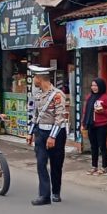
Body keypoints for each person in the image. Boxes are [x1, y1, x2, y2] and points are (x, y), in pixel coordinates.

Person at [27, 66, 69, 205]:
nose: (33, 80)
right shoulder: (38, 95)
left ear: (39, 78)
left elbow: (60, 117)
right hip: (41, 133)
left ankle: (56, 192)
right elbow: (35, 115)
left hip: (56, 133)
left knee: (56, 165)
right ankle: (44, 195)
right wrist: (30, 133)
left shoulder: (58, 95)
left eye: (35, 77)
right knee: (41, 163)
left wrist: (52, 137)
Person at [83, 77, 107, 175]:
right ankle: (94, 166)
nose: (94, 87)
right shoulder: (89, 97)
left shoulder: (105, 98)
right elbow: (85, 112)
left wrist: (102, 111)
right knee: (93, 146)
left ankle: (104, 167)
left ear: (100, 86)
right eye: (92, 85)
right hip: (91, 125)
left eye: (96, 85)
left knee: (102, 146)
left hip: (102, 125)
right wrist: (83, 124)